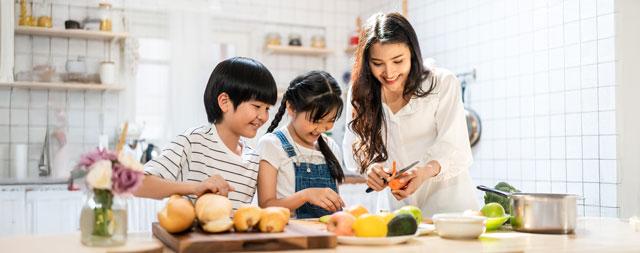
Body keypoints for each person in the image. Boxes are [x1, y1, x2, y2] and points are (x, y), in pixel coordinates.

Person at [343, 12, 479, 216]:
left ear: (413, 54)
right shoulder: (361, 92)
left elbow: (455, 147)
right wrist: (371, 168)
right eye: (377, 63)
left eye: (398, 61)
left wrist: (425, 172)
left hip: (449, 206)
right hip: (398, 208)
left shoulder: (441, 83)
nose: (388, 73)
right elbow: (355, 146)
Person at [135, 57, 278, 209]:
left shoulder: (253, 159)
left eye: (267, 109)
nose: (263, 116)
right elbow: (138, 184)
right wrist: (195, 187)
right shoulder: (192, 142)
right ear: (224, 102)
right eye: (257, 106)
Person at [257, 71, 346, 218]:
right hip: (289, 236)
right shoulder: (272, 144)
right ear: (291, 108)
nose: (322, 128)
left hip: (325, 235)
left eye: (330, 120)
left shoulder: (331, 147)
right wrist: (305, 195)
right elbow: (266, 206)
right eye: (316, 120)